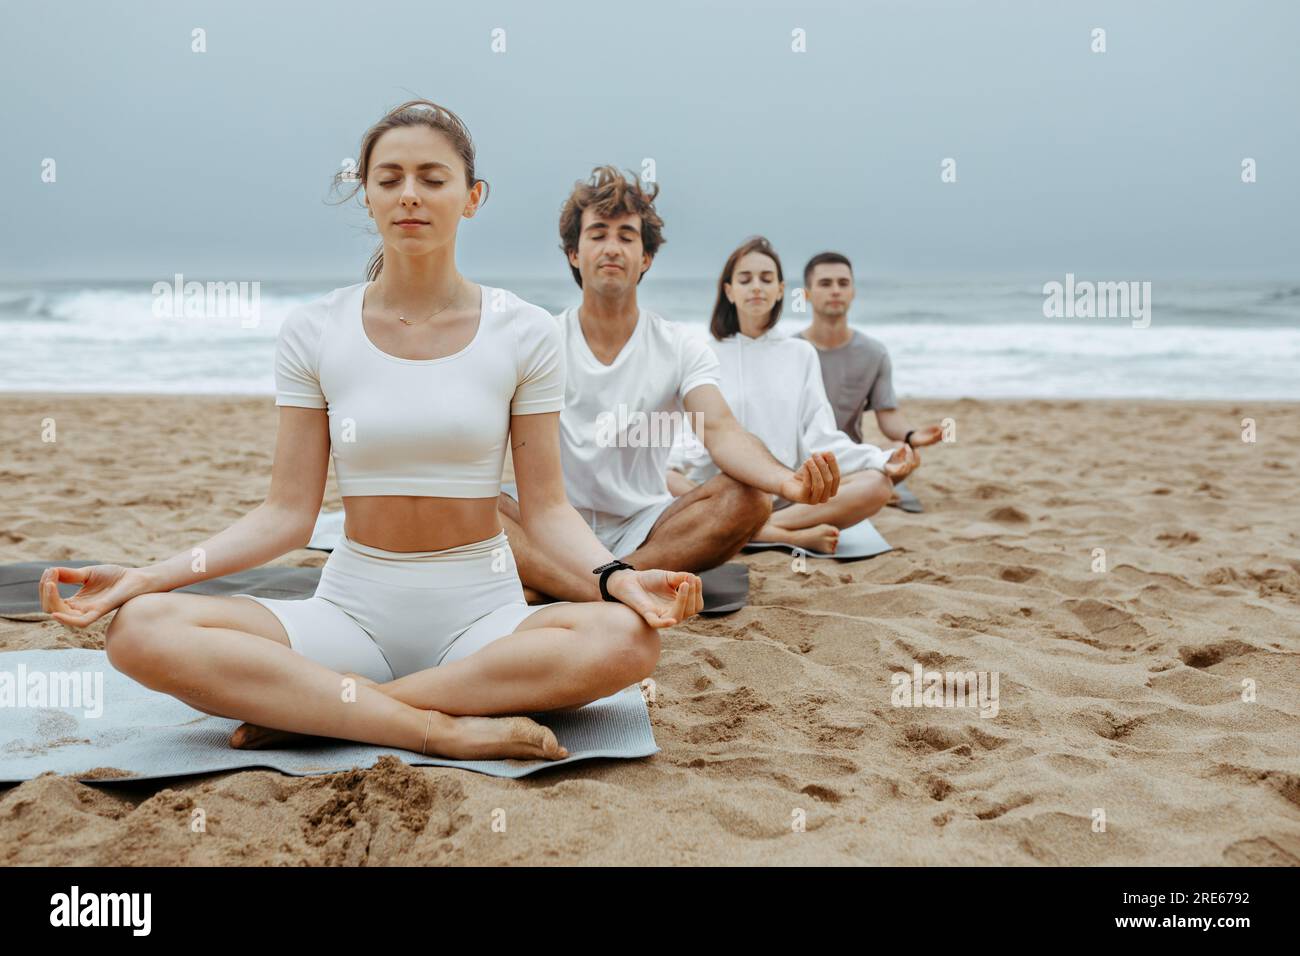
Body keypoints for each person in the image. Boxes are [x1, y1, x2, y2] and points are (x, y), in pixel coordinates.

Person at [38, 100, 703, 763]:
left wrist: (618, 578)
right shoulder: (315, 330)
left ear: (472, 198)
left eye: (432, 179)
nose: (410, 194)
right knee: (140, 628)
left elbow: (548, 511)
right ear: (367, 196)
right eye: (389, 179)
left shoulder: (523, 330)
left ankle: (329, 710)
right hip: (349, 614)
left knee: (628, 639)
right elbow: (286, 515)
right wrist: (148, 577)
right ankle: (435, 728)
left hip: (484, 617)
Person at [497, 167, 845, 602]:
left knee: (751, 500)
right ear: (574, 253)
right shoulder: (540, 341)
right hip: (551, 527)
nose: (612, 247)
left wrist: (786, 482)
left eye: (626, 236)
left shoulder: (678, 345)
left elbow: (720, 429)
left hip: (646, 529)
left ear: (645, 258)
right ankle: (608, 587)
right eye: (598, 234)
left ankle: (584, 585)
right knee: (467, 499)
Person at [667, 237, 919, 554]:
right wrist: (671, 467)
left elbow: (821, 436)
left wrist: (880, 459)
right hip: (723, 496)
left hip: (788, 495)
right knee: (663, 477)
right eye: (745, 279)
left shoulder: (800, 353)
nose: (756, 287)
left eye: (766, 279)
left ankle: (760, 530)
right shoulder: (703, 355)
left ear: (780, 290)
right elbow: (691, 438)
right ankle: (777, 534)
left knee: (877, 485)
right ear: (729, 291)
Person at [798, 252, 945, 453]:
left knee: (900, 451)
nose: (836, 291)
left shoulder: (874, 354)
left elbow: (887, 414)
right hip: (797, 459)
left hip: (850, 456)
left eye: (843, 283)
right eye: (825, 284)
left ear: (853, 292)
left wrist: (912, 436)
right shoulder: (791, 351)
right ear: (805, 294)